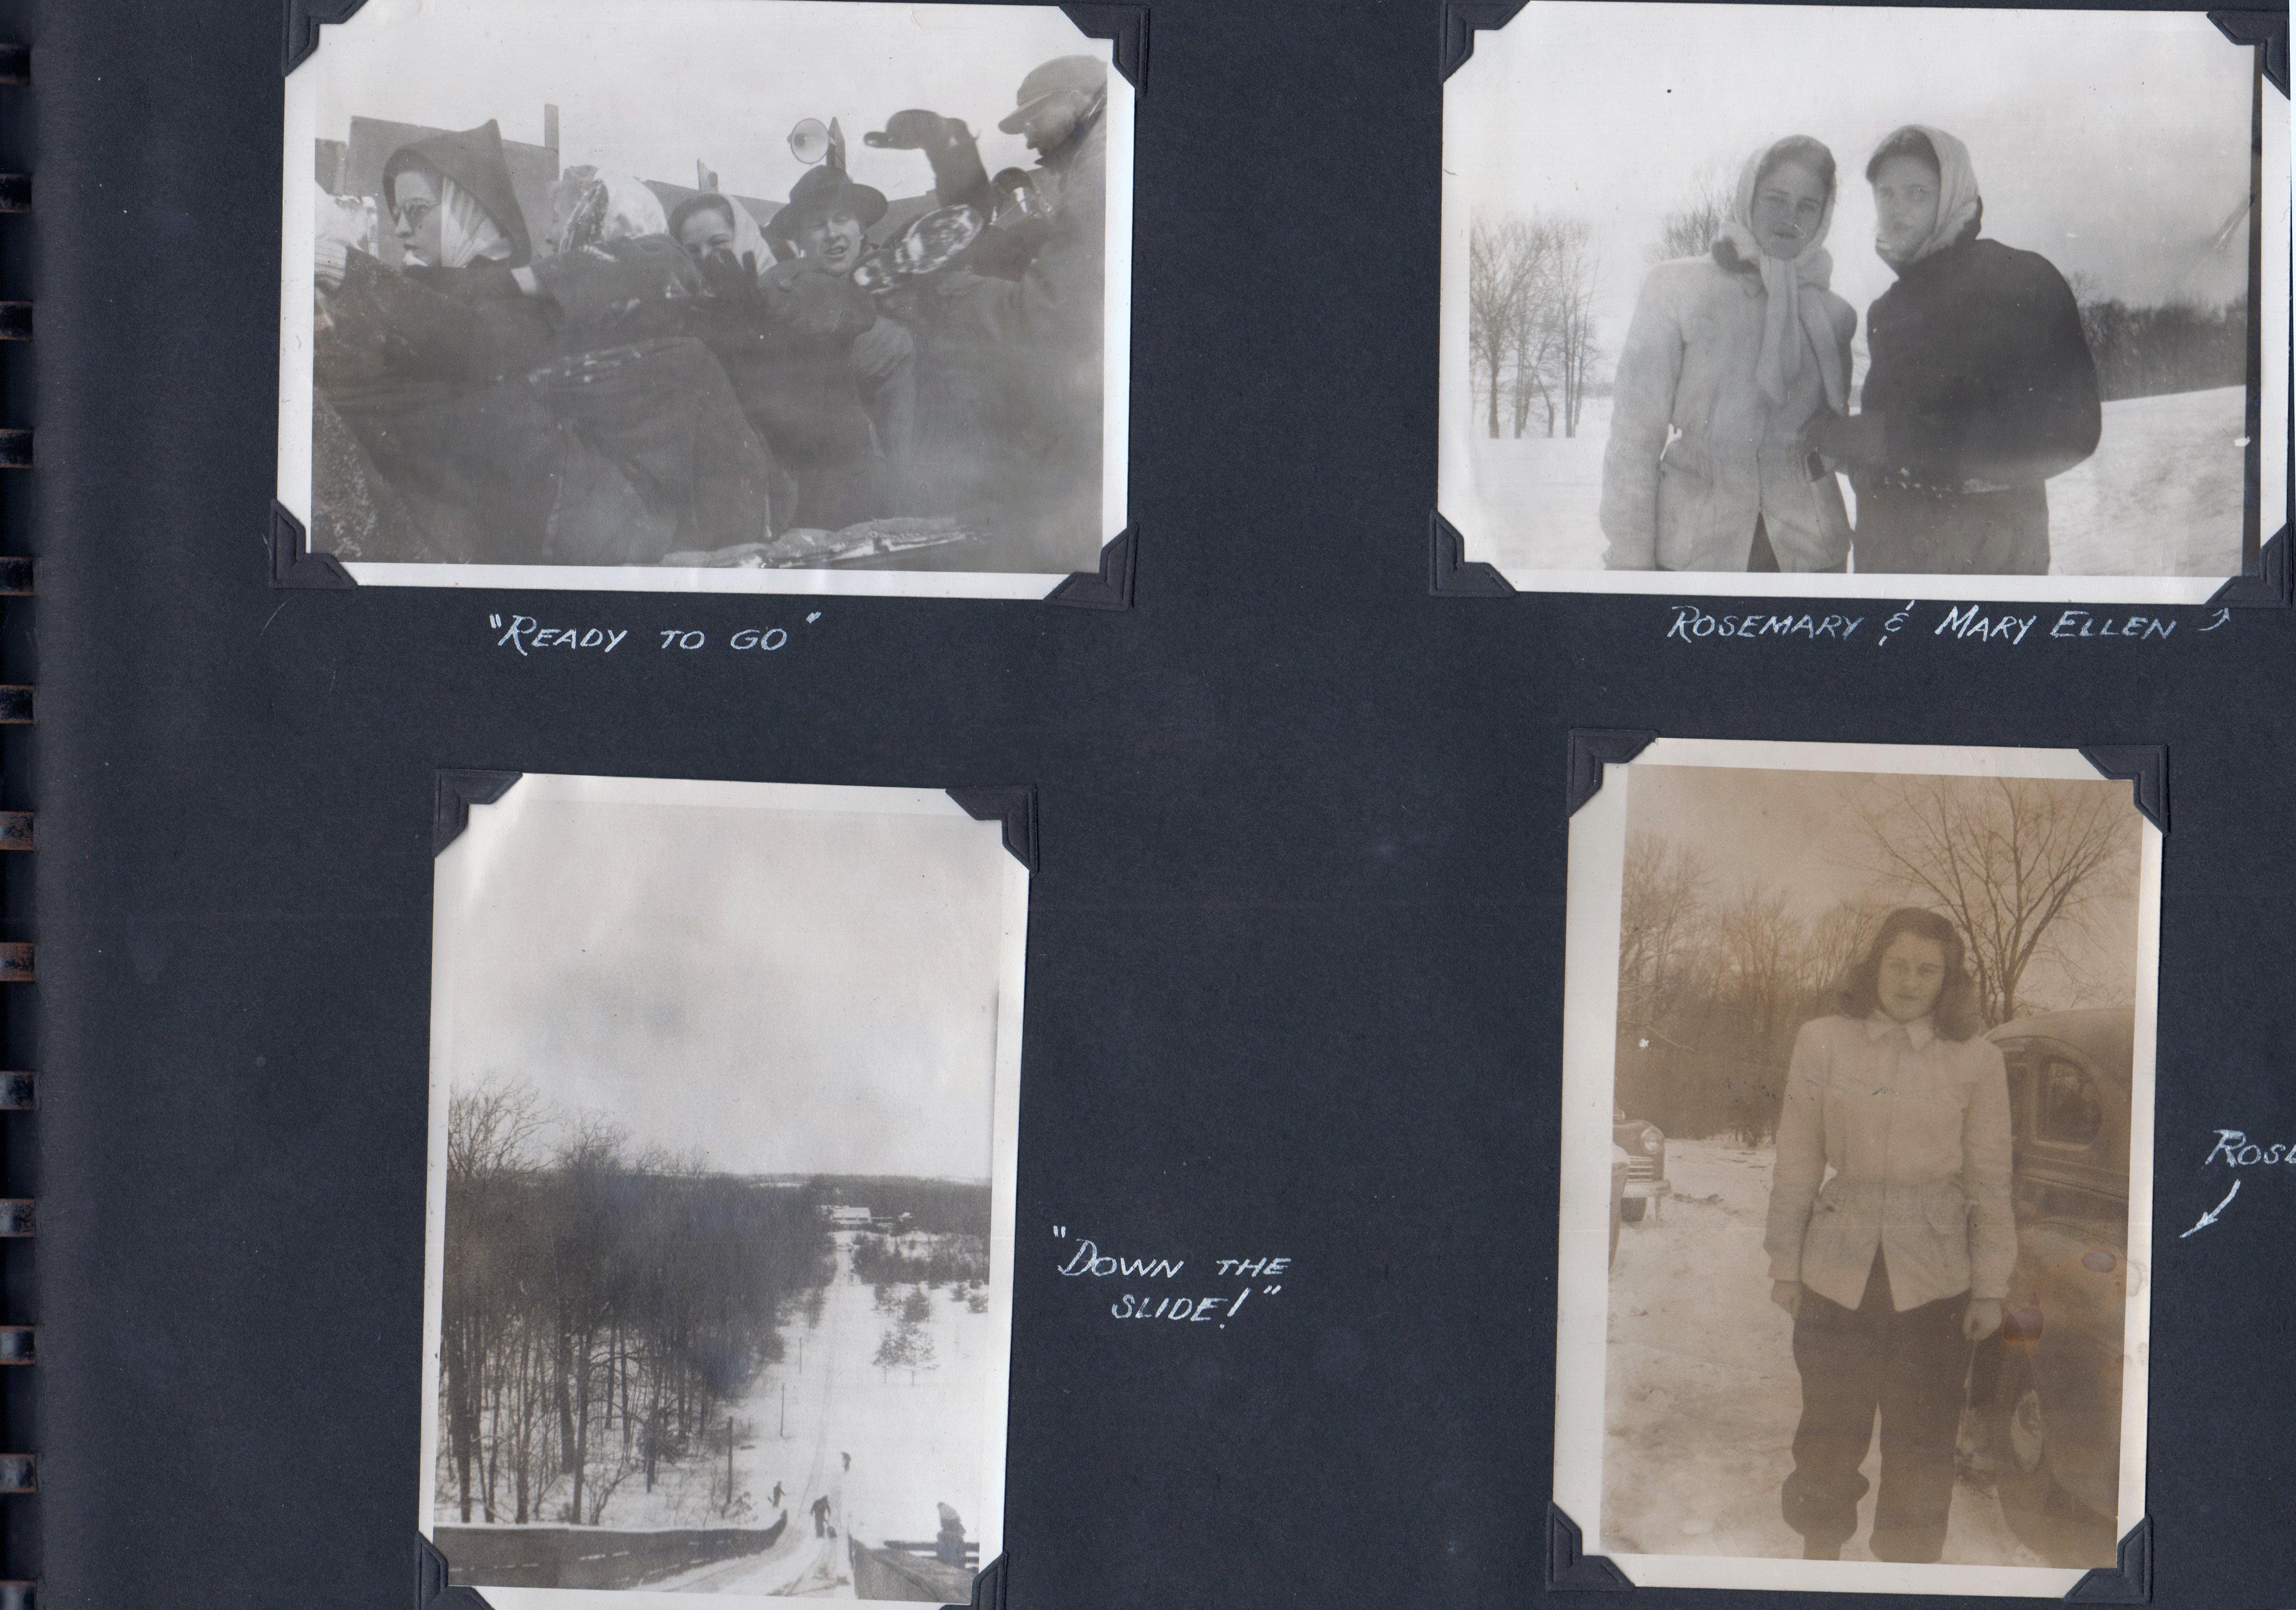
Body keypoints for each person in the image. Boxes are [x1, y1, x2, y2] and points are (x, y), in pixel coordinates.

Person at [1763, 908, 2013, 1563]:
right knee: (1827, 1435)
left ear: (1947, 980)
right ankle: (1819, 1564)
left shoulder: (1977, 1061)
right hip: (1834, 1274)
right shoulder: (1821, 1041)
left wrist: (1989, 1288)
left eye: (1926, 970)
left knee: (1922, 1444)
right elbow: (1796, 1160)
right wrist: (1785, 1265)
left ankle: (1907, 1578)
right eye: (1897, 965)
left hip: (1934, 1285)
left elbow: (1989, 1180)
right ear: (1873, 967)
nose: (1908, 982)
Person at [1805, 126, 2101, 575]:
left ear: (1953, 194)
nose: (1896, 209)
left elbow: (2069, 431)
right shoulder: (1887, 308)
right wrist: (1846, 448)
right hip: (1891, 572)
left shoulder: (2020, 278)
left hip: (1986, 578)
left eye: (1917, 193)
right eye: (1885, 194)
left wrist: (1887, 437)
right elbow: (1905, 448)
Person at [862, 54, 1110, 568]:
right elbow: (973, 221)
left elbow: (1045, 313)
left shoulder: (1102, 167)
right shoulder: (1109, 154)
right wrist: (950, 153)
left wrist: (950, 293)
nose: (1027, 138)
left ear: (1076, 101)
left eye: (1031, 120)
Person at [1600, 136, 1857, 572]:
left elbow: (1833, 438)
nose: (1790, 217)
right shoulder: (1675, 288)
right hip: (1696, 552)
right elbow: (1634, 439)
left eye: (1807, 205)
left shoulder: (1834, 314)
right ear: (1748, 197)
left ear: (1824, 216)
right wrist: (1629, 566)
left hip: (1808, 556)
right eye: (1776, 199)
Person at [673, 179, 884, 531]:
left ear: (743, 239)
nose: (708, 259)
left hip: (826, 490)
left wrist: (757, 333)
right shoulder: (691, 318)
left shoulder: (794, 286)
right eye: (692, 252)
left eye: (720, 244)